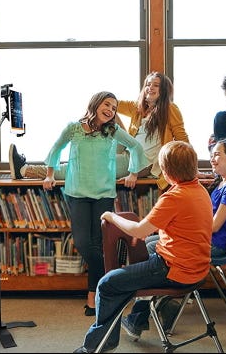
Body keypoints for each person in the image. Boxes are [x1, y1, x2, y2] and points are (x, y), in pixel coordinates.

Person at [74, 141, 213, 353]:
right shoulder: (199, 190)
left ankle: (99, 345)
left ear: (167, 173)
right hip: (199, 267)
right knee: (147, 247)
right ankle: (142, 312)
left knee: (106, 284)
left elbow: (139, 230)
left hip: (175, 270)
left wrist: (111, 215)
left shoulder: (174, 197)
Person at [41, 91, 148, 316]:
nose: (110, 110)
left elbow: (136, 148)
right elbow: (55, 149)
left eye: (114, 108)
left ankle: (93, 297)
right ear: (96, 104)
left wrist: (133, 173)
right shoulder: (74, 128)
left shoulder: (114, 131)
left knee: (98, 244)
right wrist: (50, 175)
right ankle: (115, 280)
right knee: (82, 243)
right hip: (77, 193)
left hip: (104, 194)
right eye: (107, 104)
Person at [10, 71, 191, 191]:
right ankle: (85, 138)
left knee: (81, 167)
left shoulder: (170, 109)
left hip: (142, 163)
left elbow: (182, 139)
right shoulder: (138, 108)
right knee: (107, 108)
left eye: (156, 85)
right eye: (148, 84)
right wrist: (99, 108)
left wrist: (191, 168)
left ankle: (25, 170)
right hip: (128, 150)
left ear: (164, 90)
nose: (150, 88)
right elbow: (112, 103)